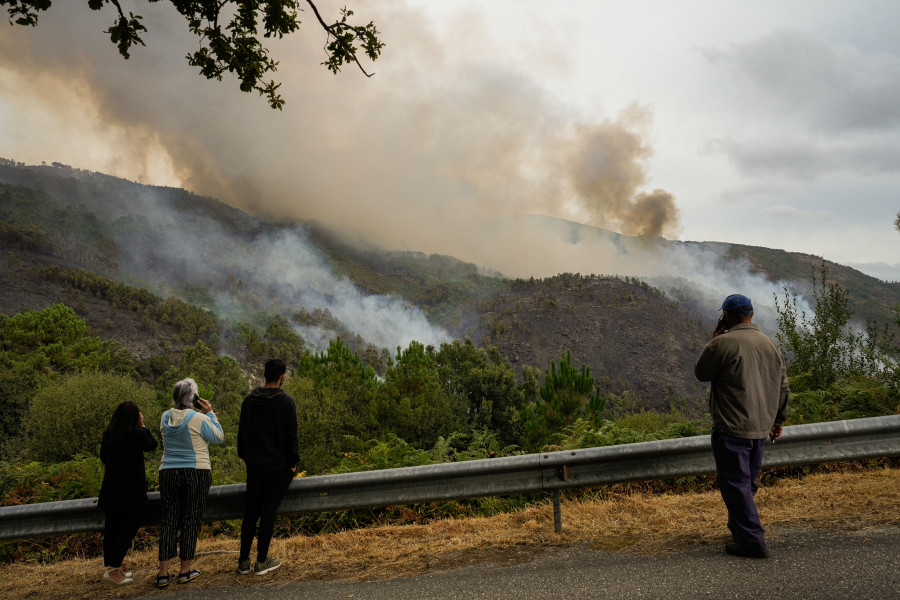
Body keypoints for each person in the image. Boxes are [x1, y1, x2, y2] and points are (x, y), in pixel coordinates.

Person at [694, 294, 789, 558]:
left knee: (736, 484)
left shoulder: (722, 343)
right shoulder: (770, 344)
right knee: (747, 484)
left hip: (732, 428)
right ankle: (740, 530)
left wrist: (714, 340)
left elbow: (702, 374)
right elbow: (783, 385)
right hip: (761, 427)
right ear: (752, 314)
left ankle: (753, 541)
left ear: (725, 315)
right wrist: (778, 420)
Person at [155, 378, 224, 588]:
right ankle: (184, 571)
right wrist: (210, 415)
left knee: (169, 520)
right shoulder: (199, 418)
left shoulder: (165, 416)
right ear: (194, 398)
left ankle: (163, 574)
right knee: (191, 519)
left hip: (168, 472)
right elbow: (218, 437)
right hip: (196, 472)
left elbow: (169, 434)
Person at [236, 358, 299, 576]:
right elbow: (292, 437)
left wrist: (246, 458)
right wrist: (292, 464)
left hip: (254, 467)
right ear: (282, 377)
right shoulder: (287, 402)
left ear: (264, 375)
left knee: (251, 512)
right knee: (268, 511)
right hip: (278, 468)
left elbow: (242, 435)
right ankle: (261, 562)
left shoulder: (249, 401)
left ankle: (243, 561)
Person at [98, 401, 158, 585]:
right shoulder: (137, 434)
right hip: (131, 492)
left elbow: (103, 458)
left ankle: (113, 568)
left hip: (111, 490)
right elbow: (152, 445)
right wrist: (143, 426)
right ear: (135, 417)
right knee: (127, 530)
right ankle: (113, 571)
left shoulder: (109, 435)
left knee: (113, 530)